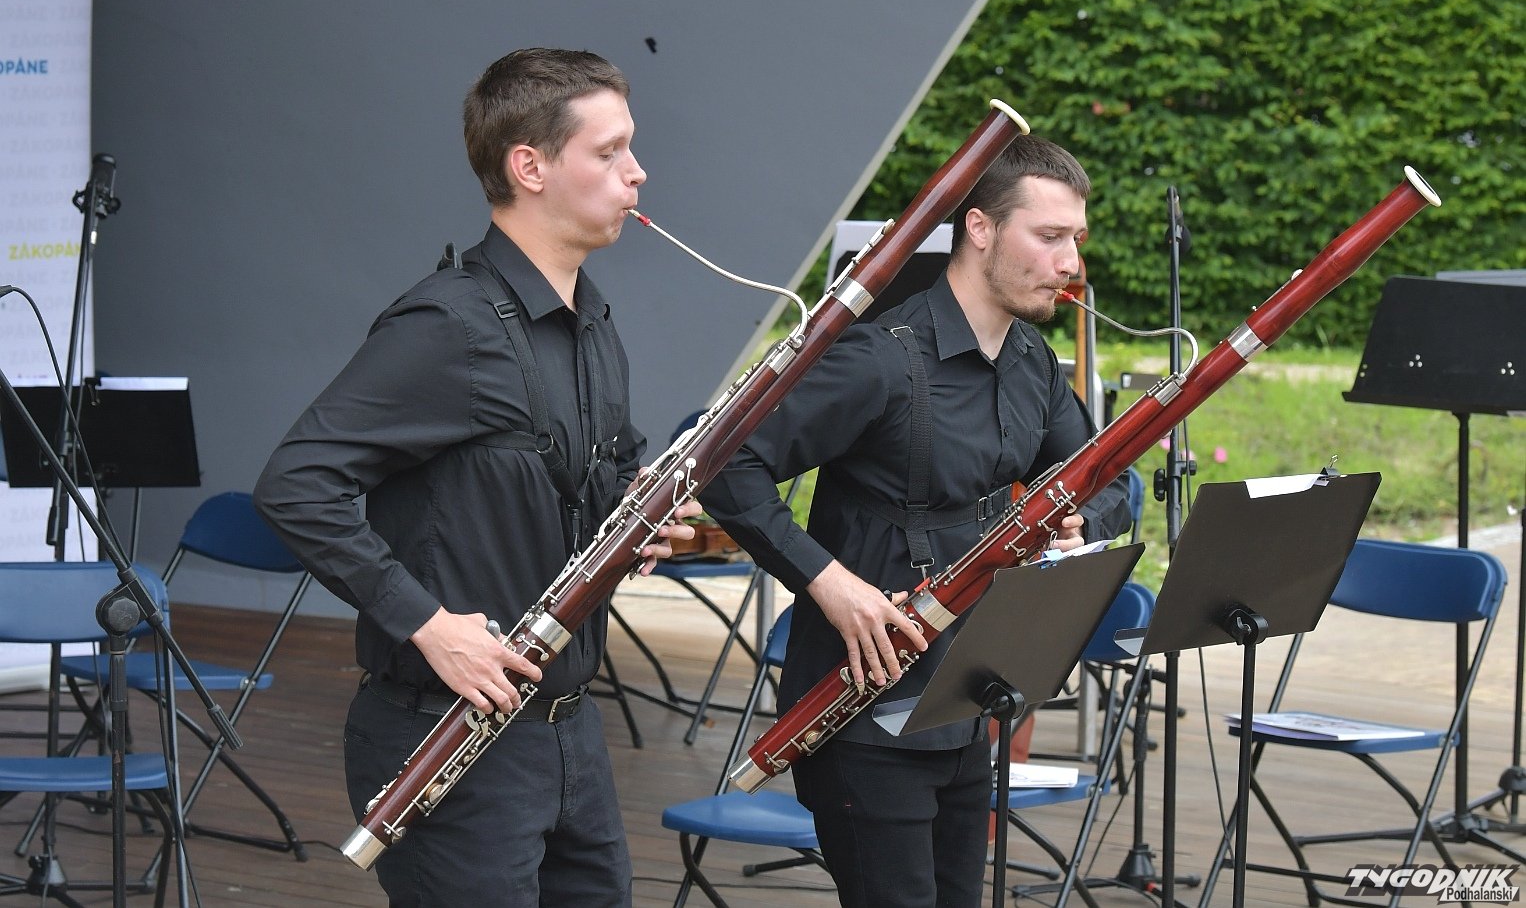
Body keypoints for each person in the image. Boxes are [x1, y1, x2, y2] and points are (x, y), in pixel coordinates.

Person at [254, 47, 697, 908]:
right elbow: (295, 483)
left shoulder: (592, 320)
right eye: (608, 151)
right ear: (529, 167)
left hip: (571, 734)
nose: (637, 172)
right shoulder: (447, 324)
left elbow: (594, 475)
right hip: (446, 735)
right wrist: (425, 622)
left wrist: (639, 517)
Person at [702, 135, 1132, 908]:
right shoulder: (879, 357)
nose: (1070, 263)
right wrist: (829, 583)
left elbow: (1109, 479)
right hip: (863, 707)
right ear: (980, 229)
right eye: (1049, 236)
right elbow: (728, 468)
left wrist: (1080, 523)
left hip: (965, 701)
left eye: (1076, 239)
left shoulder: (1031, 360)